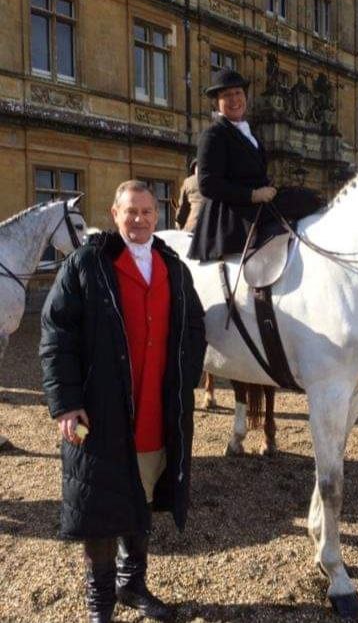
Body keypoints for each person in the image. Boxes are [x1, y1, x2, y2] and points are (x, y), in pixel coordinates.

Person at [40, 180, 206, 623]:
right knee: (99, 506)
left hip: (155, 411)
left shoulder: (172, 267)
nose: (139, 219)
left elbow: (195, 327)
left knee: (143, 497)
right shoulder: (86, 263)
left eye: (148, 211)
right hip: (101, 412)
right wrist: (66, 402)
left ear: (158, 216)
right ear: (114, 214)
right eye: (130, 211)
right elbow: (56, 335)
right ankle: (100, 602)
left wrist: (183, 381)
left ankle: (132, 583)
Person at [187, 67, 321, 261]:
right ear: (217, 103)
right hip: (234, 212)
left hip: (257, 204)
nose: (234, 100)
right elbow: (208, 185)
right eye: (227, 95)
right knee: (302, 200)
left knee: (310, 198)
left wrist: (269, 189)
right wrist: (253, 195)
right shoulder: (213, 135)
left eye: (238, 93)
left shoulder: (250, 134)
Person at [175, 160, 203, 233]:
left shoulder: (189, 181)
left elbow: (182, 210)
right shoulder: (219, 182)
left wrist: (179, 223)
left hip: (194, 227)